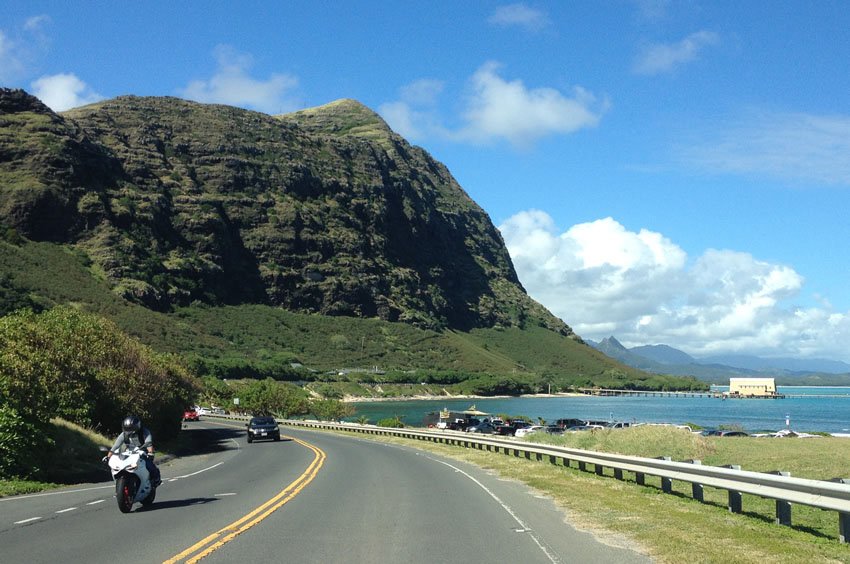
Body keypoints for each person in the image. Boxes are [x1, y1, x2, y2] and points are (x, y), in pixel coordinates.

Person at [107, 415, 161, 487]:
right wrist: (108, 457)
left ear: (137, 427)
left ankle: (155, 479)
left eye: (130, 429)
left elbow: (149, 444)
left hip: (142, 452)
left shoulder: (145, 432)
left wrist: (150, 453)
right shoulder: (123, 434)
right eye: (126, 429)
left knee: (149, 465)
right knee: (120, 464)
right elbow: (115, 446)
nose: (128, 431)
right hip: (129, 453)